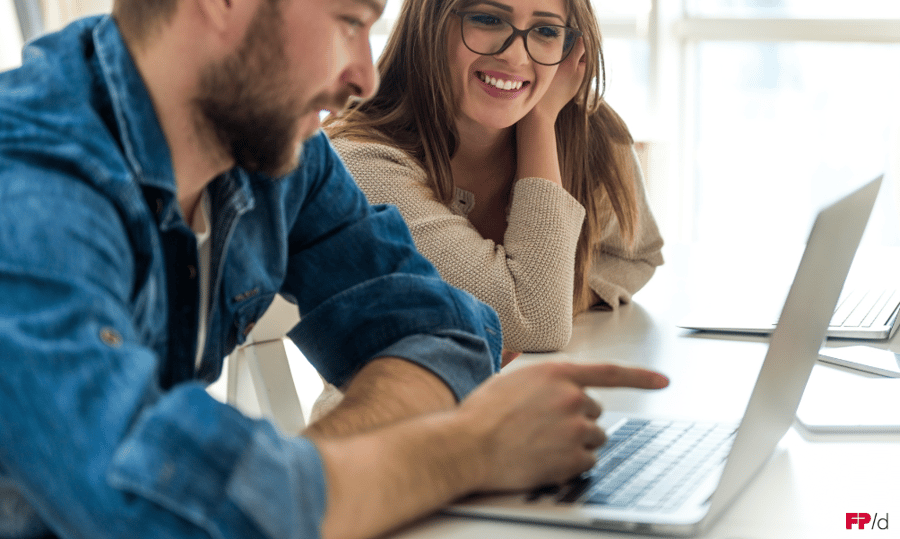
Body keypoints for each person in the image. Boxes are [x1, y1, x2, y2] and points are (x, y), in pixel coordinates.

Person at [0, 0, 669, 538]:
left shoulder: (278, 158)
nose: (365, 77)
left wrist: (305, 475)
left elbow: (448, 332)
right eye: (350, 21)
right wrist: (466, 449)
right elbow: (157, 512)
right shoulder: (27, 192)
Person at [325, 0, 665, 353]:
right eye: (487, 19)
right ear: (429, 24)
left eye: (546, 31)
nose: (516, 57)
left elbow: (636, 255)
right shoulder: (360, 163)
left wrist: (557, 296)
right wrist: (540, 120)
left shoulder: (585, 130)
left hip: (537, 399)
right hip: (403, 407)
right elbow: (535, 323)